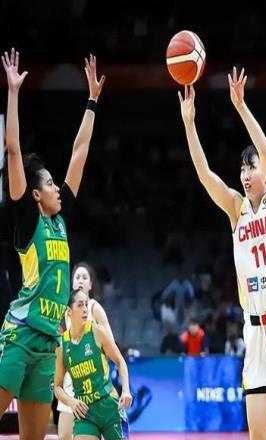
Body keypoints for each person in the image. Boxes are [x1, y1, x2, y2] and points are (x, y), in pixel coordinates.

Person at [179, 67, 266, 440]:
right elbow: (205, 174)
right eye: (242, 167)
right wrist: (190, 125)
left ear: (265, 173)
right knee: (257, 436)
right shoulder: (236, 209)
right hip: (254, 329)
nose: (244, 173)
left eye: (250, 167)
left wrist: (240, 107)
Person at [0, 48, 104, 439]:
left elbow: (80, 153)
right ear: (34, 194)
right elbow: (13, 150)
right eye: (48, 183)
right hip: (21, 335)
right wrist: (13, 93)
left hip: (47, 345)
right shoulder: (29, 222)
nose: (57, 187)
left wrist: (92, 101)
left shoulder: (59, 220)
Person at [54, 289, 132, 439]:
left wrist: (126, 390)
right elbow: (57, 387)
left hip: (109, 406)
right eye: (80, 305)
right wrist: (71, 402)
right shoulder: (62, 345)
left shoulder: (96, 331)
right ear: (69, 311)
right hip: (85, 412)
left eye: (86, 304)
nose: (85, 309)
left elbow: (120, 361)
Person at [57, 262, 114, 440]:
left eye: (84, 277)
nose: (80, 280)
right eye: (77, 277)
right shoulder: (66, 312)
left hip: (94, 380)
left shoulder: (95, 309)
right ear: (72, 283)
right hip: (71, 379)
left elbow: (110, 344)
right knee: (64, 435)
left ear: (90, 284)